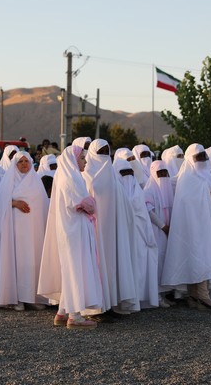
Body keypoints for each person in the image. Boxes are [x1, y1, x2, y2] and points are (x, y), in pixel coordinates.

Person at [38, 145, 103, 329]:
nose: (85, 161)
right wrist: (92, 202)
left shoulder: (66, 175)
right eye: (82, 158)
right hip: (74, 231)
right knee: (76, 269)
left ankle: (63, 311)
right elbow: (85, 204)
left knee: (71, 269)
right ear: (73, 160)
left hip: (72, 230)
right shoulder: (71, 178)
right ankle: (75, 316)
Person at [161, 144, 211, 310]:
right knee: (196, 256)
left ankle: (198, 295)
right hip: (192, 228)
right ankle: (199, 295)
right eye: (198, 158)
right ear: (190, 159)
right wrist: (207, 194)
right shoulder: (187, 179)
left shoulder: (203, 176)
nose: (202, 161)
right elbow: (187, 201)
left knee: (202, 255)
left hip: (205, 226)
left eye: (203, 157)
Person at [0, 151, 49, 310]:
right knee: (16, 260)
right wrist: (14, 203)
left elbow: (43, 206)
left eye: (26, 161)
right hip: (14, 230)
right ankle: (16, 298)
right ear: (15, 164)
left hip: (34, 230)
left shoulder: (36, 181)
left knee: (32, 260)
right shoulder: (9, 181)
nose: (24, 164)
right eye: (20, 162)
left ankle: (32, 296)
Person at [83, 139, 138, 315]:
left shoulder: (114, 177)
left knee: (112, 266)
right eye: (101, 151)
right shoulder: (86, 177)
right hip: (95, 231)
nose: (104, 155)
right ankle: (96, 308)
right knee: (97, 267)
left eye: (107, 151)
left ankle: (111, 303)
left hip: (114, 232)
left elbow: (124, 205)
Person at [114, 159, 160, 309]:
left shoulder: (138, 192)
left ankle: (138, 299)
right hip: (121, 239)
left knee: (139, 268)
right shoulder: (114, 191)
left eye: (130, 173)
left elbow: (144, 216)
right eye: (123, 173)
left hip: (140, 238)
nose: (127, 176)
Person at [143, 160, 175, 306]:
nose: (162, 176)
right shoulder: (149, 190)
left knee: (167, 260)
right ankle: (157, 295)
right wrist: (162, 226)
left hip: (169, 231)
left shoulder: (169, 188)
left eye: (164, 173)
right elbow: (148, 211)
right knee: (158, 262)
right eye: (159, 173)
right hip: (157, 231)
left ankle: (165, 292)